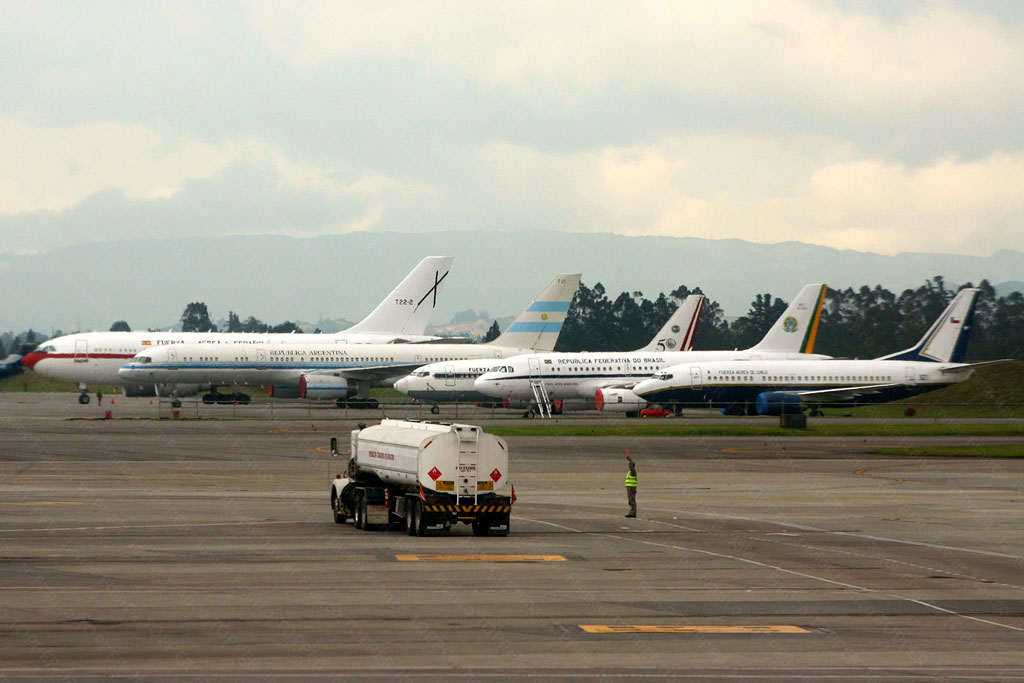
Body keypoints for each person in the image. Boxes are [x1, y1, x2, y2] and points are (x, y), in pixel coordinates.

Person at [624, 451, 638, 518]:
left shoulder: (633, 472)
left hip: (632, 488)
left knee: (632, 500)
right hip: (630, 487)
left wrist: (630, 460)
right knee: (630, 500)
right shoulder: (631, 472)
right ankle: (632, 512)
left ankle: (633, 513)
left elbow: (631, 467)